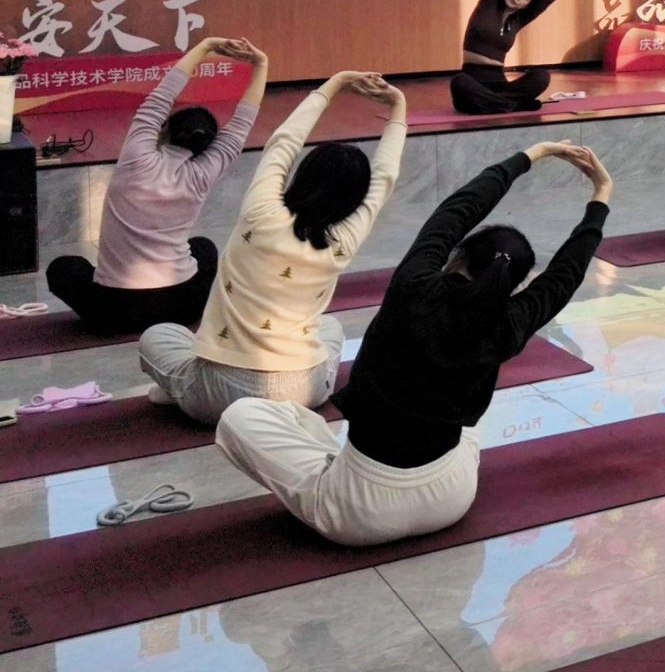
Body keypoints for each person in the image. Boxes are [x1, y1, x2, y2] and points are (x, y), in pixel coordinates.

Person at [215, 142, 613, 547]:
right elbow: (566, 273)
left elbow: (457, 210)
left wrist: (530, 156)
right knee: (467, 426)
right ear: (515, 284)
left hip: (358, 513)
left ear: (458, 256)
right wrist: (601, 195)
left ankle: (331, 463)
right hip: (451, 499)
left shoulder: (414, 284)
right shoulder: (509, 323)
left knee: (240, 417)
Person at [139, 71, 408, 425]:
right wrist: (398, 107)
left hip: (219, 394)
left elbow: (283, 142)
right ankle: (190, 389)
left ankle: (184, 390)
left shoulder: (261, 212)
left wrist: (333, 85)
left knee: (158, 335)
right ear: (355, 199)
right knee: (329, 328)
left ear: (303, 175)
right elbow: (384, 177)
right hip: (305, 391)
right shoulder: (344, 238)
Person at [44, 36, 269, 334]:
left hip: (114, 311)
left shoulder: (136, 158)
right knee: (203, 248)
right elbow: (241, 124)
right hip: (183, 305)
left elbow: (160, 98)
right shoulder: (203, 173)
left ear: (163, 130)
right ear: (209, 145)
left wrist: (203, 48)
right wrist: (261, 64)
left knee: (63, 268)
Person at [450, 0, 576, 115]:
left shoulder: (519, 20)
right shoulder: (487, 4)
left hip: (500, 85)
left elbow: (546, 1)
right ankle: (512, 105)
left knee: (541, 77)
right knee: (459, 82)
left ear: (526, 5)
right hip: (472, 81)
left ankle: (494, 104)